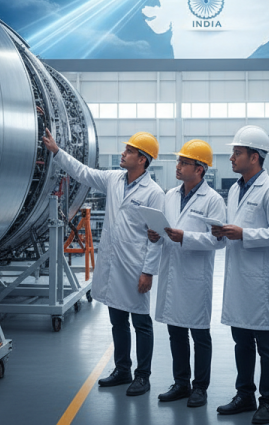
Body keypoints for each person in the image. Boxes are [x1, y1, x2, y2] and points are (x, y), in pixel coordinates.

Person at [42, 128, 164, 396]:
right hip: (111, 265)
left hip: (135, 268)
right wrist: (57, 152)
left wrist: (148, 272)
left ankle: (143, 376)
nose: (124, 153)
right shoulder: (113, 179)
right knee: (117, 321)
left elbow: (157, 238)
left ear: (142, 159)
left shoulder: (154, 192)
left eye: (129, 151)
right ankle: (123, 370)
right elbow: (83, 172)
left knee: (141, 323)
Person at [212, 126, 269, 423]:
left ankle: (268, 401)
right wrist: (223, 231)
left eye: (237, 153)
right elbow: (235, 228)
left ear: (254, 157)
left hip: (258, 280)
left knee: (265, 343)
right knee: (241, 341)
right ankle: (244, 395)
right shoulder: (235, 189)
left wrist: (243, 233)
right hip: (237, 278)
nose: (231, 158)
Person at [147, 139, 226, 409]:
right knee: (175, 332)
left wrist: (186, 238)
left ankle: (200, 388)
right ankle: (181, 383)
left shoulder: (213, 200)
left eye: (184, 162)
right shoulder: (170, 195)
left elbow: (219, 241)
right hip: (172, 273)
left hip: (195, 276)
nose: (178, 167)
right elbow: (166, 230)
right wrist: (155, 235)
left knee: (200, 335)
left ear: (200, 168)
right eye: (178, 162)